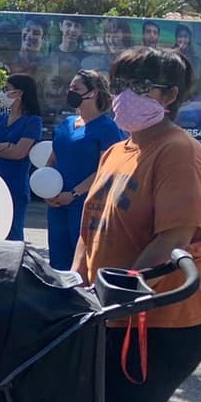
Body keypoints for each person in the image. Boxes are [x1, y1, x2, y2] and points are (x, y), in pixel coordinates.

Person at [71, 47, 201, 402]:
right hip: (116, 307)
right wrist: (74, 279)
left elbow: (173, 239)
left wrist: (117, 290)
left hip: (166, 315)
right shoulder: (120, 149)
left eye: (141, 85)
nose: (126, 96)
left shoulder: (178, 151)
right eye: (121, 83)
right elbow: (95, 225)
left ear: (170, 96)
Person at [43, 70, 125, 271]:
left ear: (94, 92)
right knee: (58, 259)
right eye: (70, 88)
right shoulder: (66, 124)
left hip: (86, 205)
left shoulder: (107, 128)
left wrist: (73, 193)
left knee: (81, 262)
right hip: (56, 203)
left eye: (76, 89)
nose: (71, 93)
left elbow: (106, 168)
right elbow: (53, 158)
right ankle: (58, 300)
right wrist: (46, 189)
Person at [0, 73, 43, 240]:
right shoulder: (1, 119)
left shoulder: (33, 121)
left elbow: (19, 153)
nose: (3, 93)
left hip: (15, 185)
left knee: (12, 234)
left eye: (6, 89)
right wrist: (6, 146)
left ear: (19, 93)